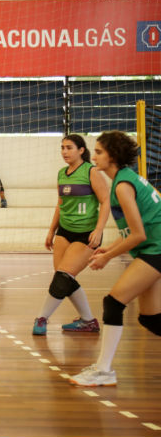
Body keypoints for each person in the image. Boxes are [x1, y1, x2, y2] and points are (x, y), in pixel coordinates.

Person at [70, 131, 161, 387]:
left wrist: (108, 256)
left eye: (98, 151)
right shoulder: (124, 179)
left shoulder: (122, 185)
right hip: (153, 247)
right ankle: (103, 369)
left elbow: (139, 234)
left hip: (156, 248)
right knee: (151, 318)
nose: (94, 156)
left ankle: (104, 370)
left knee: (113, 303)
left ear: (113, 155)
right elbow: (134, 230)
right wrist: (110, 247)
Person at [32, 135, 109, 336]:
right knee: (64, 278)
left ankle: (42, 318)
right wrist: (51, 231)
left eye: (69, 148)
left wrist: (99, 229)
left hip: (86, 234)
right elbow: (61, 204)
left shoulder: (90, 171)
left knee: (63, 278)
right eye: (62, 148)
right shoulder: (61, 174)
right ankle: (88, 321)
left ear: (81, 150)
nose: (65, 152)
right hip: (64, 232)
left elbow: (106, 201)